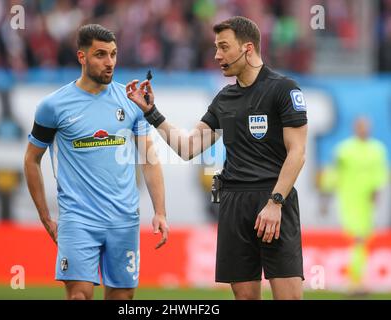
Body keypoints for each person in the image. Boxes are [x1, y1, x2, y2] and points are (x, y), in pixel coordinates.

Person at [127, 16, 307, 300]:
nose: (217, 55)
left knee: (289, 298)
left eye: (224, 47)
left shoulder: (283, 89)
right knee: (245, 297)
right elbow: (187, 148)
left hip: (274, 200)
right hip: (234, 201)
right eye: (215, 48)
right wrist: (152, 113)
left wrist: (275, 202)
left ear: (248, 48)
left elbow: (297, 152)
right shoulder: (225, 98)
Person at [24, 24, 169, 300]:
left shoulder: (130, 101)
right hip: (78, 219)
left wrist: (160, 211)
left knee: (123, 299)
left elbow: (149, 158)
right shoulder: (53, 106)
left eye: (113, 54)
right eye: (101, 55)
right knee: (79, 296)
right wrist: (44, 215)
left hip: (124, 219)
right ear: (82, 57)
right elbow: (31, 160)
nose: (110, 62)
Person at [320, 117, 388, 292]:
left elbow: (380, 174)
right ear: (355, 128)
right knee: (357, 238)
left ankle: (355, 280)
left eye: (366, 126)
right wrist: (326, 198)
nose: (363, 129)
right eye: (360, 126)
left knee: (362, 239)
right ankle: (353, 280)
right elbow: (333, 173)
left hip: (366, 203)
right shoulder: (344, 150)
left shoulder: (377, 149)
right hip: (348, 200)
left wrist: (376, 192)